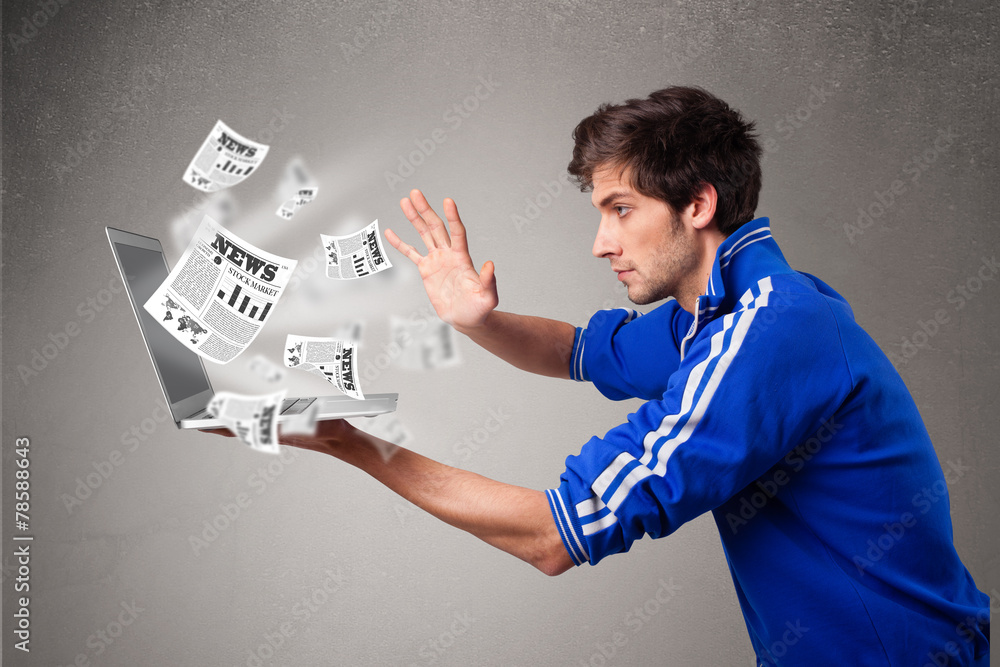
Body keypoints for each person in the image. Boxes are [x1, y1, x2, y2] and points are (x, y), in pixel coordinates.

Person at [214, 86, 991, 665]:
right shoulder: (716, 315)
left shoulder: (770, 334)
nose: (599, 241)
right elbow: (580, 350)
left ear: (697, 203)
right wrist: (478, 318)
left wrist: (352, 442)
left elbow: (554, 535)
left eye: (620, 209)